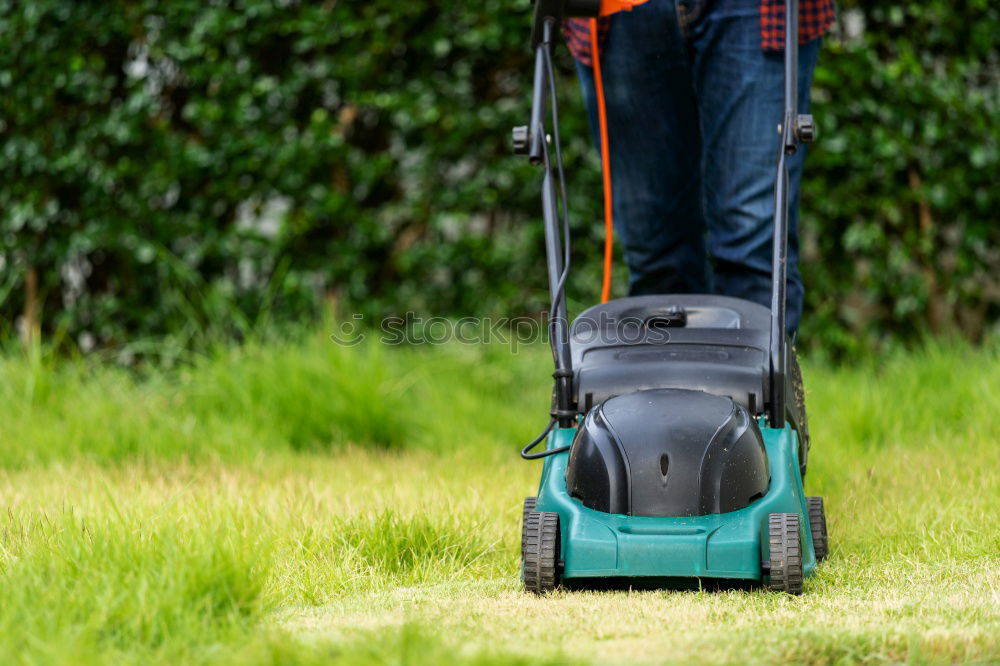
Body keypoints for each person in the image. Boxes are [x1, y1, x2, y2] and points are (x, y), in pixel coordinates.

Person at [565, 0, 834, 336]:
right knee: (657, 259)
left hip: (760, 10)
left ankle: (757, 387)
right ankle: (660, 386)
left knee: (755, 254)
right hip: (620, 13)